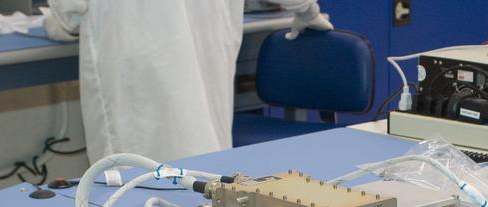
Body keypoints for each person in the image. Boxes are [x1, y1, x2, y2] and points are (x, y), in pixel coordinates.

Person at [44, 1, 332, 162]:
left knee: (132, 196)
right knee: (203, 176)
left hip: (135, 85)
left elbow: (67, 16)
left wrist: (52, 25)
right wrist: (309, 12)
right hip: (202, 68)